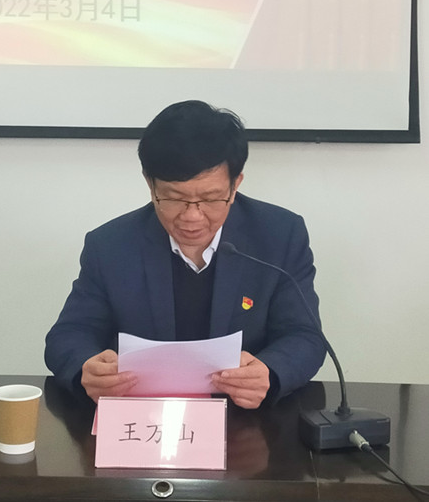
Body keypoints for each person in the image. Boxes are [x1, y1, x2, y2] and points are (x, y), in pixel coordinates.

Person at [45, 101, 326, 409]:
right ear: (150, 184)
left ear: (235, 185)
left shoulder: (279, 235)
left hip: (244, 415)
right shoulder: (111, 245)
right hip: (144, 413)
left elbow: (304, 336)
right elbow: (70, 334)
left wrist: (270, 372)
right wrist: (87, 369)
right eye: (174, 198)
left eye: (210, 198)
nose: (192, 217)